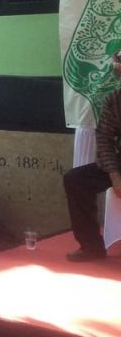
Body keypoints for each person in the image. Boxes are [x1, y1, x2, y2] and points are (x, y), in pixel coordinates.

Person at [63, 50, 121, 261]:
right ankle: (91, 246)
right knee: (75, 179)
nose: (118, 66)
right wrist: (115, 176)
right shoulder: (114, 99)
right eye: (118, 61)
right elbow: (105, 138)